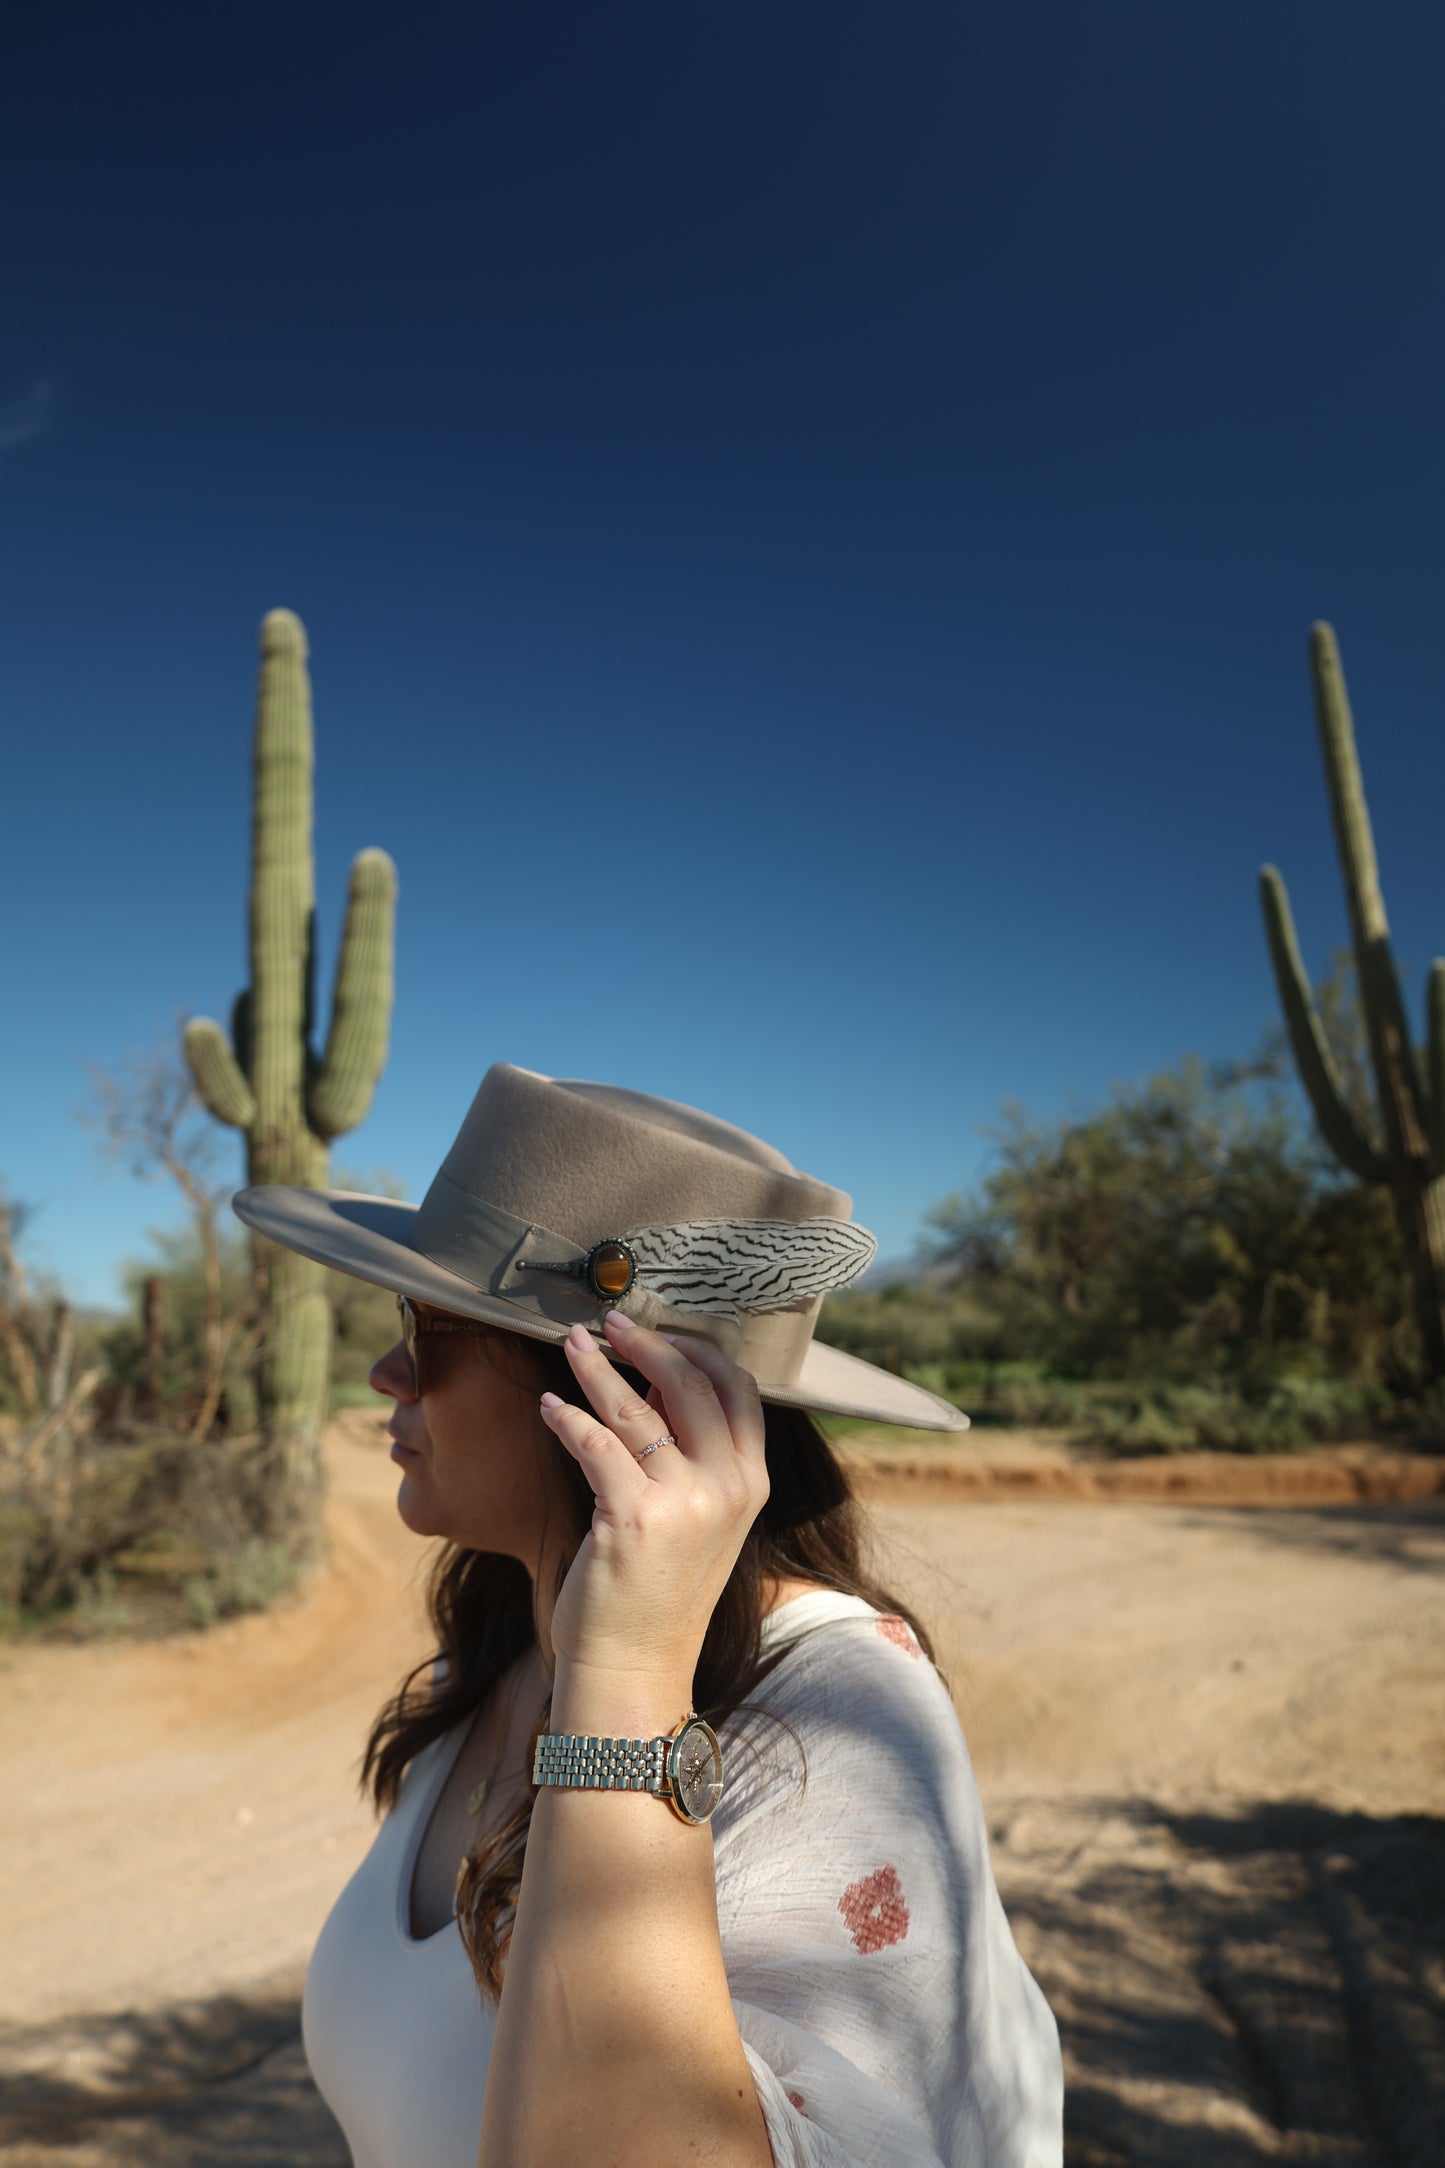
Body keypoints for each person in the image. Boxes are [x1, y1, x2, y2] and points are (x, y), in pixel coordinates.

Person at [235, 1061, 1063, 2167]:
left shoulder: (839, 1719)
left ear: (610, 1396)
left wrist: (626, 1678)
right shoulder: (494, 1650)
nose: (387, 1372)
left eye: (426, 1327)